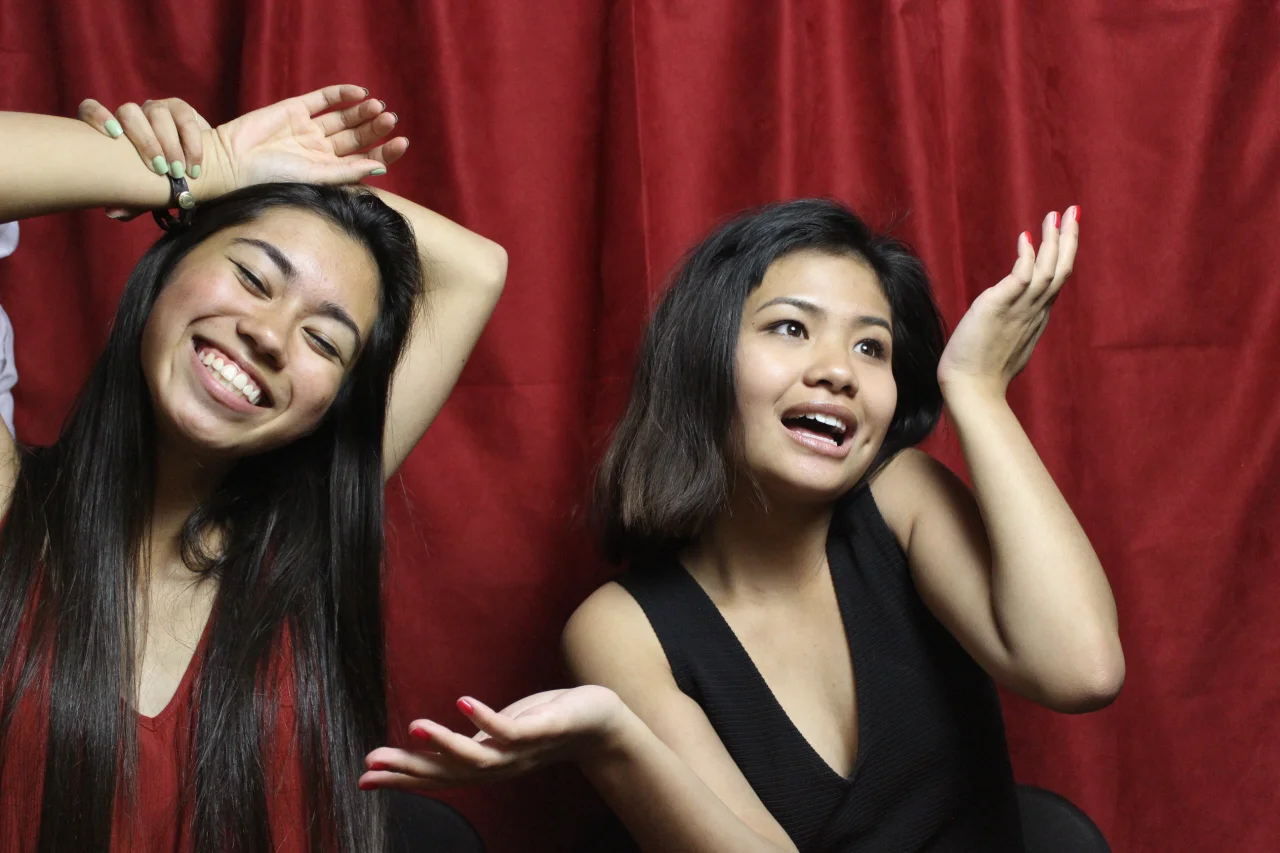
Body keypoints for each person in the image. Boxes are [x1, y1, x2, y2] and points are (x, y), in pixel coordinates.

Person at [359, 199, 1125, 852]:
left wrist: (978, 390)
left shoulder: (902, 498)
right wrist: (614, 734)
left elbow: (1082, 670)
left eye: (871, 346)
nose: (838, 370)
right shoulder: (621, 630)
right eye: (791, 328)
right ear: (704, 356)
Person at [0, 87, 506, 852]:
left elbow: (474, 268)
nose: (270, 335)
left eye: (324, 341)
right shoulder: (11, 505)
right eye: (253, 277)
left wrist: (251, 171)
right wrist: (210, 166)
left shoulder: (292, 553)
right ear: (164, 271)